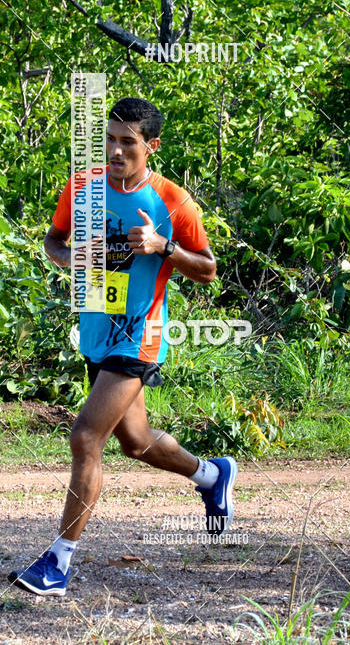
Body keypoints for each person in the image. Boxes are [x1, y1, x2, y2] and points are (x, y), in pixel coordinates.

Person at [9, 97, 237, 596]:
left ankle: (57, 564)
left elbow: (208, 269)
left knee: (86, 437)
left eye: (128, 142)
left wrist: (164, 247)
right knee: (135, 442)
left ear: (151, 146)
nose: (115, 150)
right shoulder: (83, 186)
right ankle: (211, 474)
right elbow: (53, 241)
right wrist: (69, 258)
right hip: (95, 327)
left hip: (139, 331)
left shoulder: (173, 201)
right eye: (110, 138)